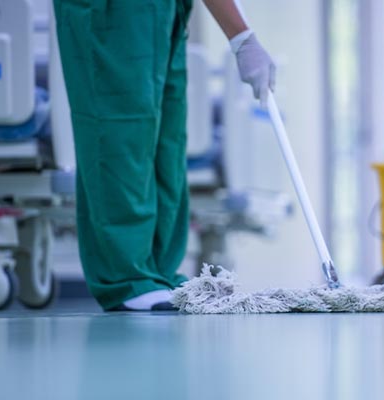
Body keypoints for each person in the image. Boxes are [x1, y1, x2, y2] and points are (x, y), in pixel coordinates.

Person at [53, 0, 275, 311]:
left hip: (162, 12)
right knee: (122, 134)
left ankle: (158, 271)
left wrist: (242, 37)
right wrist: (239, 36)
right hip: (112, 12)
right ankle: (127, 277)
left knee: (166, 142)